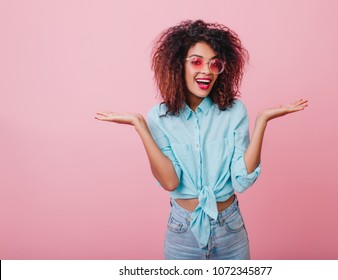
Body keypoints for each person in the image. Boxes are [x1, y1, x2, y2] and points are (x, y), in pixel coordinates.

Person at [95, 20, 308, 260]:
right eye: (196, 61)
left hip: (230, 227)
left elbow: (241, 181)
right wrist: (140, 126)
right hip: (182, 231)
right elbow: (169, 182)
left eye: (214, 64)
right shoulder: (160, 117)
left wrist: (262, 122)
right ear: (178, 66)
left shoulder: (234, 112)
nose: (206, 70)